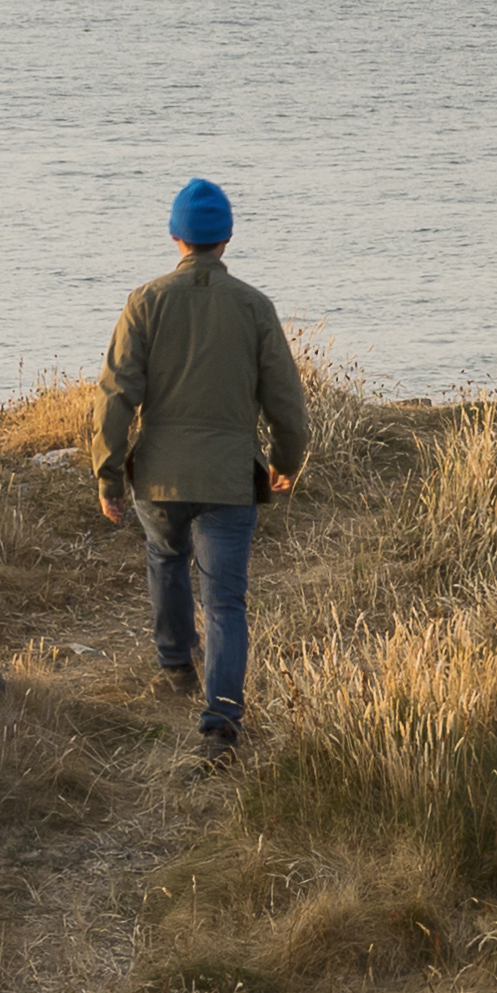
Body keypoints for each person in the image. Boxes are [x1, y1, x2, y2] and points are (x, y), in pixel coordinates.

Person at [94, 176, 310, 745]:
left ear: (175, 236)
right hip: (230, 476)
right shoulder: (254, 307)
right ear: (228, 238)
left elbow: (117, 396)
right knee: (225, 598)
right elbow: (287, 401)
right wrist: (288, 459)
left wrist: (108, 473)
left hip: (159, 475)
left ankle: (174, 664)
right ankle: (220, 722)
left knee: (166, 558)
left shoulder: (145, 301)